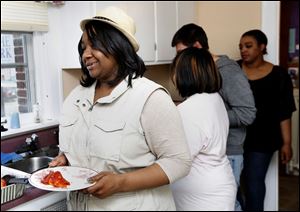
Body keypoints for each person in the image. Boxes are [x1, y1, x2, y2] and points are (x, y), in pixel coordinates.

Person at [49, 6, 192, 211]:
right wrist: (67, 159)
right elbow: (81, 149)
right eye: (83, 47)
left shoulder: (150, 98)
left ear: (118, 47)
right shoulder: (75, 98)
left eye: (94, 46)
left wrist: (120, 183)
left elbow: (179, 162)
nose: (86, 55)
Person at [171, 23, 256, 211]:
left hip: (229, 150)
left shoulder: (228, 71)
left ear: (197, 48)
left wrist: (207, 119)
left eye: (181, 54)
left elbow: (247, 113)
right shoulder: (204, 93)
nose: (178, 60)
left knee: (231, 204)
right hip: (212, 152)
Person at [170, 47, 236, 211]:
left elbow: (177, 159)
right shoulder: (214, 98)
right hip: (218, 184)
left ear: (184, 75)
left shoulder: (191, 109)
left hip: (202, 197)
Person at [238, 29, 296, 211]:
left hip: (264, 139)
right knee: (232, 183)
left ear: (262, 47)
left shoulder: (279, 75)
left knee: (254, 183)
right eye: (240, 47)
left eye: (248, 46)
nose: (243, 50)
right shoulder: (233, 70)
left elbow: (285, 111)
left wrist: (287, 142)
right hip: (235, 138)